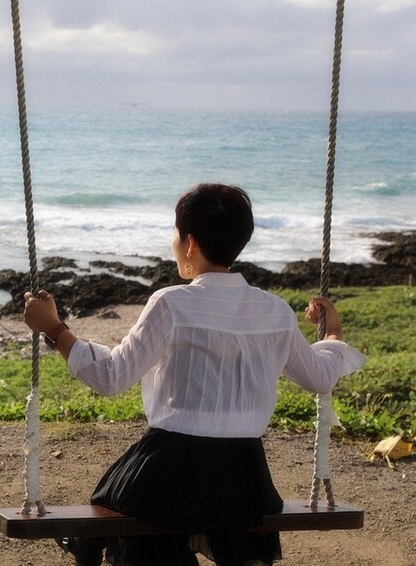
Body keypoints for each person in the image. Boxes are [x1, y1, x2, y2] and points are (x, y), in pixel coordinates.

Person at [23, 183, 366, 566]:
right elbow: (320, 377)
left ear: (189, 243)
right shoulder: (275, 311)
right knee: (223, 527)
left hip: (169, 470)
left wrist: (54, 328)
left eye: (175, 233)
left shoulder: (172, 303)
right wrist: (332, 332)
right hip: (245, 479)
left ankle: (89, 545)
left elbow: (111, 375)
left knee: (114, 498)